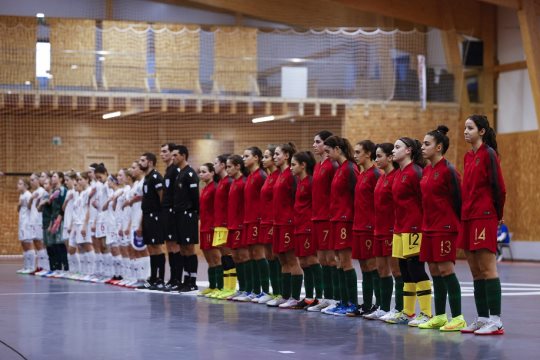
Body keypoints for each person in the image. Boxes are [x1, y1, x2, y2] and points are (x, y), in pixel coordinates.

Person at [459, 115, 506, 335]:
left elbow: (500, 187)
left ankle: (496, 321)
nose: (466, 131)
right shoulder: (469, 157)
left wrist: (497, 214)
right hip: (468, 217)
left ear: (482, 131)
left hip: (483, 216)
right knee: (476, 271)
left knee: (488, 269)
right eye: (465, 128)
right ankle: (482, 318)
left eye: (470, 128)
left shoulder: (488, 154)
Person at [418, 125, 466, 331]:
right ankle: (439, 316)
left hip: (444, 227)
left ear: (438, 147)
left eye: (426, 144)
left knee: (446, 269)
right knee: (435, 271)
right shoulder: (427, 170)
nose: (422, 147)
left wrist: (453, 224)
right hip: (428, 227)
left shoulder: (449, 170)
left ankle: (458, 317)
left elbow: (459, 199)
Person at [385, 137, 432, 326]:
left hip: (414, 227)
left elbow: (425, 200)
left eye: (397, 147)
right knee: (404, 270)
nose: (393, 151)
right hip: (399, 228)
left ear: (409, 150)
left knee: (416, 268)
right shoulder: (398, 173)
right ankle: (408, 311)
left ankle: (427, 313)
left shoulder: (416, 172)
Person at [321, 136, 359, 316]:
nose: (326, 155)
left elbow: (356, 195)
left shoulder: (350, 168)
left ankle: (351, 303)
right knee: (338, 261)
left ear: (338, 149)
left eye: (328, 151)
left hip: (346, 220)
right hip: (336, 219)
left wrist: (352, 218)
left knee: (345, 261)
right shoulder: (339, 169)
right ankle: (342, 301)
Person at [366, 143, 403, 321]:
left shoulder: (396, 176)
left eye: (379, 156)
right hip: (378, 230)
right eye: (375, 156)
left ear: (390, 157)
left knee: (396, 271)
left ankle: (401, 309)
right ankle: (383, 307)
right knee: (381, 270)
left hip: (392, 230)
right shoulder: (381, 178)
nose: (376, 159)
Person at [267, 143, 303, 309]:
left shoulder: (291, 175)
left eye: (277, 154)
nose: (274, 157)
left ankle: (295, 298)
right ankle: (285, 295)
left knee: (291, 259)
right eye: (273, 154)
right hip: (278, 223)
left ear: (287, 156)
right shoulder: (280, 175)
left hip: (288, 223)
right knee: (281, 259)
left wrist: (293, 220)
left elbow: (297, 198)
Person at [307, 130, 339, 313]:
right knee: (322, 259)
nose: (314, 145)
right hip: (317, 218)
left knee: (331, 259)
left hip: (328, 218)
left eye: (317, 142)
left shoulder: (333, 165)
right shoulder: (318, 166)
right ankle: (326, 298)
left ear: (326, 145)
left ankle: (335, 298)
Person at [348, 140, 381, 317]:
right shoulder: (361, 174)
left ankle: (379, 305)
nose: (355, 155)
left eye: (359, 152)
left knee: (373, 266)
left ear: (368, 154)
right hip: (358, 226)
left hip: (370, 226)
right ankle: (367, 304)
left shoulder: (375, 174)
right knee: (364, 266)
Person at [291, 151, 323, 309]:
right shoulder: (299, 181)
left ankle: (320, 296)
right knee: (303, 261)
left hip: (308, 226)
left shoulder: (311, 182)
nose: (291, 168)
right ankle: (309, 297)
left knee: (312, 260)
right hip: (298, 225)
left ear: (303, 165)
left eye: (293, 164)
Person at [243, 146, 272, 303]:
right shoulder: (250, 176)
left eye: (246, 155)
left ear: (256, 158)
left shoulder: (261, 175)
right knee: (252, 254)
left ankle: (265, 290)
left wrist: (262, 219)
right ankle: (254, 290)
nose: (244, 158)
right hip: (249, 220)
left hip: (257, 220)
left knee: (259, 254)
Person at [171, 145, 200, 293]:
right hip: (179, 216)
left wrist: (195, 213)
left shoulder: (189, 174)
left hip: (188, 215)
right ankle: (186, 279)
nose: (173, 158)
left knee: (189, 248)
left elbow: (195, 197)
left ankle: (192, 281)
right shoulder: (179, 173)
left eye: (176, 155)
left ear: (183, 156)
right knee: (182, 248)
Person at [209, 154, 237, 300]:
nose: (213, 166)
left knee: (228, 256)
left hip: (226, 224)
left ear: (222, 165)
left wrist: (226, 223)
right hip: (219, 224)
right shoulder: (221, 181)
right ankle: (226, 287)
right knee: (223, 256)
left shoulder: (229, 182)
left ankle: (231, 287)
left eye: (215, 163)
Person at [224, 155, 251, 301]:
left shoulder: (243, 183)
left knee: (244, 256)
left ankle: (249, 289)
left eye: (229, 166)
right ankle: (241, 289)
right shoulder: (233, 183)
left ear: (238, 166)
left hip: (241, 225)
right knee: (236, 257)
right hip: (232, 225)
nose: (227, 169)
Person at [137, 153, 166, 290]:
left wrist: (160, 215)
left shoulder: (156, 177)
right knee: (150, 247)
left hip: (156, 216)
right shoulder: (146, 178)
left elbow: (162, 197)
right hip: (147, 216)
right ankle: (153, 278)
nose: (139, 163)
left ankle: (160, 279)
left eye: (142, 161)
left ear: (150, 162)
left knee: (157, 247)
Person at [257, 146, 282, 304]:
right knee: (270, 256)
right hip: (266, 221)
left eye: (266, 156)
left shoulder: (279, 175)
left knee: (278, 257)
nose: (263, 159)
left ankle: (280, 292)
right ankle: (272, 292)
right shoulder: (269, 176)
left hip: (275, 221)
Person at [197, 162, 223, 296]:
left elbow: (218, 208)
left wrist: (216, 225)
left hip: (213, 227)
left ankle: (220, 286)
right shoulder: (204, 188)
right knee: (208, 257)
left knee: (216, 257)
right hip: (204, 226)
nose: (201, 174)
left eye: (204, 171)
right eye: (200, 172)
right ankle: (212, 286)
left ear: (212, 173)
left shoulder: (215, 188)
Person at [160, 143, 182, 291]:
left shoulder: (175, 170)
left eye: (165, 151)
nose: (163, 154)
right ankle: (172, 278)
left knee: (175, 246)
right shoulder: (167, 170)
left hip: (173, 213)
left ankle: (177, 279)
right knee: (169, 245)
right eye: (161, 152)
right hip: (166, 212)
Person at [28, 173, 50, 275]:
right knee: (36, 242)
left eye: (33, 180)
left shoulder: (42, 192)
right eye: (30, 180)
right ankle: (40, 266)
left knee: (41, 243)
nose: (31, 182)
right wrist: (32, 198)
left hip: (39, 220)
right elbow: (29, 207)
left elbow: (41, 208)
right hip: (33, 220)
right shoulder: (34, 192)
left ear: (37, 180)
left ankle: (45, 266)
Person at [16, 177, 35, 274]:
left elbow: (32, 209)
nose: (18, 185)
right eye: (18, 184)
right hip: (22, 222)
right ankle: (26, 266)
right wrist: (19, 205)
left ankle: (31, 267)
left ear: (26, 186)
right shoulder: (21, 195)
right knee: (23, 244)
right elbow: (19, 209)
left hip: (27, 222)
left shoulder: (28, 195)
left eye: (20, 184)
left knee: (28, 244)